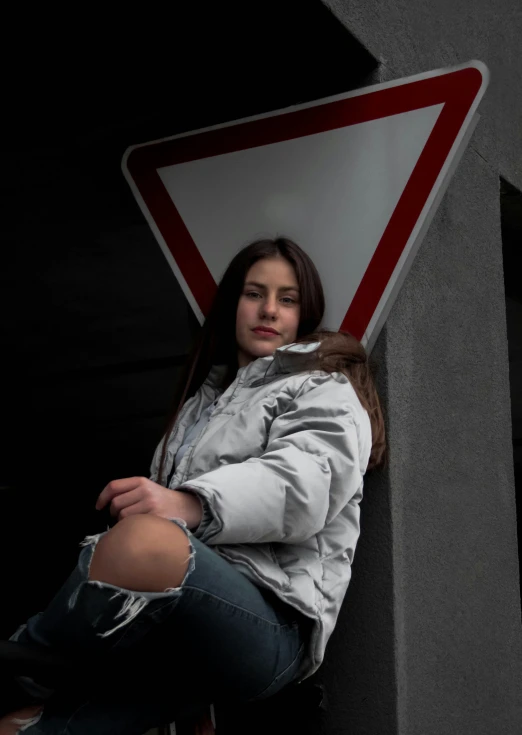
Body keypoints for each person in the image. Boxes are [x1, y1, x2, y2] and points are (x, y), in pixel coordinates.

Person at [0, 237, 386, 734]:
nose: (269, 309)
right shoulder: (200, 405)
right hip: (174, 636)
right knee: (24, 729)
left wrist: (187, 504)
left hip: (270, 626)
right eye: (254, 293)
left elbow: (304, 484)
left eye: (287, 299)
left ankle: (24, 667)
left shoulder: (323, 387)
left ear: (304, 313)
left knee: (144, 541)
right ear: (232, 303)